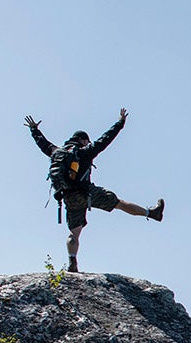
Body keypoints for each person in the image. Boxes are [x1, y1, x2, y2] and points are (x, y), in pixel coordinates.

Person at [25, 108, 165, 272]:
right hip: (87, 192)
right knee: (118, 203)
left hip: (68, 197)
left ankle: (72, 262)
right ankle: (151, 213)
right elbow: (105, 140)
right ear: (83, 141)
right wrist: (120, 124)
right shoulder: (84, 152)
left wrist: (34, 129)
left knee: (74, 233)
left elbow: (43, 143)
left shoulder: (56, 152)